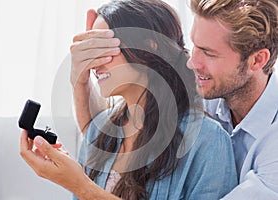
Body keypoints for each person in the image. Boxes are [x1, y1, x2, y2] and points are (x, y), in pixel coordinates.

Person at [20, 0, 238, 199]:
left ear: (149, 46)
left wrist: (81, 186)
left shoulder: (207, 141)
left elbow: (83, 190)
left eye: (103, 47)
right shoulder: (100, 131)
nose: (94, 62)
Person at [186, 0, 278, 199]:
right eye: (194, 46)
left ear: (257, 60)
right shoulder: (207, 95)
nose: (192, 62)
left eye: (208, 53)